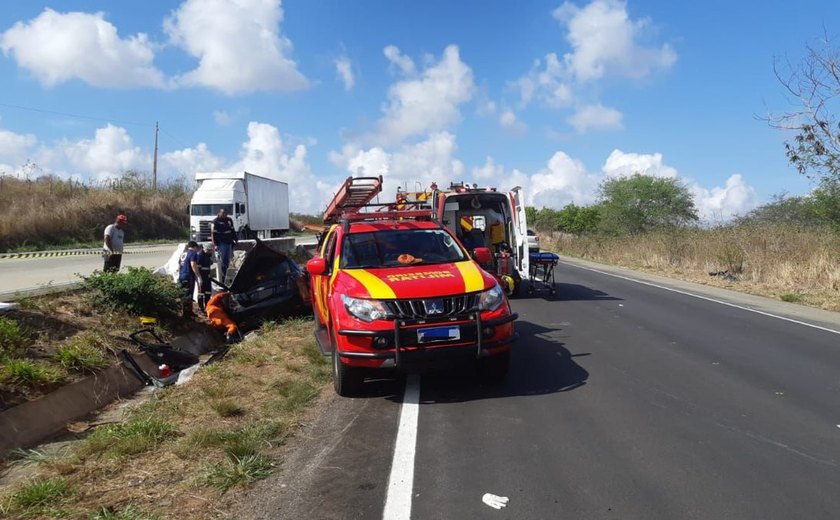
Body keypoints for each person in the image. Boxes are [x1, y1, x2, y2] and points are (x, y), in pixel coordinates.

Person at [211, 207, 237, 280]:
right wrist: (215, 245)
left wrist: (235, 239)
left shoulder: (229, 220)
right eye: (223, 213)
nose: (224, 214)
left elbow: (232, 230)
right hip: (221, 243)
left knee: (228, 260)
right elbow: (213, 234)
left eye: (226, 213)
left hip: (229, 242)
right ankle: (223, 276)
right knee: (222, 261)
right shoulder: (215, 221)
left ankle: (227, 275)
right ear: (220, 213)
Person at [178, 241, 201, 317]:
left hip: (182, 275)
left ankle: (186, 311)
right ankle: (187, 314)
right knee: (188, 294)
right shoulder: (193, 253)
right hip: (189, 276)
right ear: (195, 247)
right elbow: (193, 264)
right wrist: (198, 275)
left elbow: (179, 265)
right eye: (197, 248)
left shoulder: (183, 254)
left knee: (183, 293)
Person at [196, 242, 215, 313]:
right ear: (205, 249)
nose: (211, 252)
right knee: (201, 293)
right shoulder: (200, 256)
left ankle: (207, 306)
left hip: (207, 276)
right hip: (202, 277)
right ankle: (201, 308)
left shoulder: (208, 255)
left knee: (208, 292)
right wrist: (199, 278)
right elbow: (198, 268)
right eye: (210, 250)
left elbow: (210, 263)